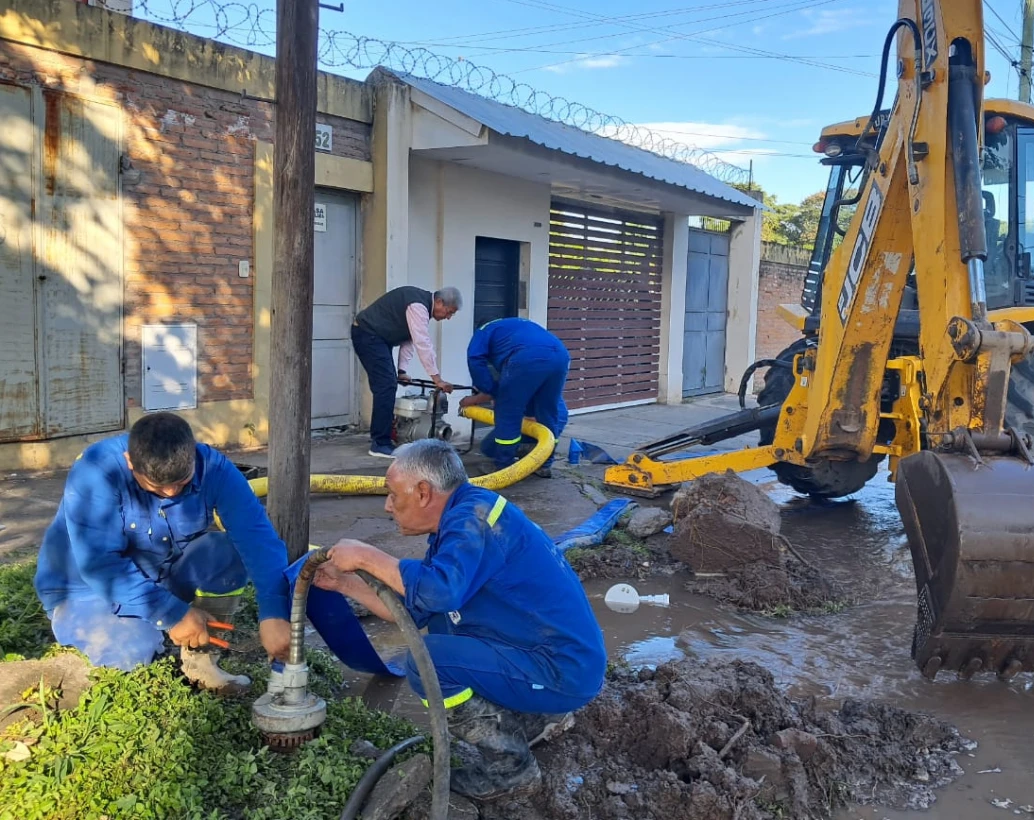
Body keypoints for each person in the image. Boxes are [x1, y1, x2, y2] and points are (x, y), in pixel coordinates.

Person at [313, 440, 606, 801]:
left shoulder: (475, 519)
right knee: (440, 637)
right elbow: (410, 611)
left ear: (423, 492)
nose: (388, 506)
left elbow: (439, 591)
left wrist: (368, 555)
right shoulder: (459, 521)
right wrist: (343, 583)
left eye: (392, 494)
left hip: (561, 671)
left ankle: (510, 770)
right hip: (550, 660)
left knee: (430, 661)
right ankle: (533, 720)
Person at [33, 412, 292, 693]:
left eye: (181, 482)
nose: (170, 492)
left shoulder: (213, 468)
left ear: (192, 455)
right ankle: (136, 633)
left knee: (225, 554)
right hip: (87, 590)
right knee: (134, 653)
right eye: (156, 486)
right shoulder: (97, 472)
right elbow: (101, 565)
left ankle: (201, 662)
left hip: (160, 575)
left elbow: (258, 540)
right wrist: (172, 613)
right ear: (131, 462)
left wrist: (274, 612)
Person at [353, 285, 463, 458]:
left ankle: (384, 437)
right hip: (368, 334)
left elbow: (409, 340)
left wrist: (402, 370)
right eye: (449, 312)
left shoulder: (422, 307)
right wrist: (437, 379)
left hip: (376, 337)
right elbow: (422, 343)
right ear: (440, 302)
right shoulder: (418, 306)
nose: (448, 317)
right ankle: (380, 443)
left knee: (387, 384)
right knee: (386, 386)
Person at [458, 318, 570, 474]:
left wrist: (491, 391)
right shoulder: (517, 327)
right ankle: (544, 465)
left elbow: (475, 359)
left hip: (526, 358)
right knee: (548, 413)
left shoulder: (484, 330)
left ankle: (504, 467)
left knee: (508, 413)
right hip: (561, 355)